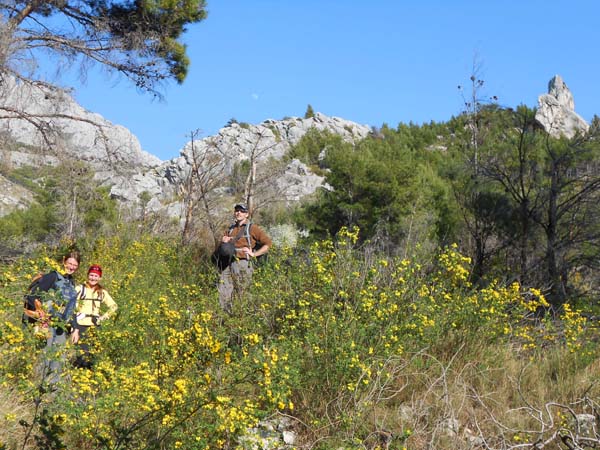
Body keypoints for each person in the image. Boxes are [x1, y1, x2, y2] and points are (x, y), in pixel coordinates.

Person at [27, 250, 81, 385]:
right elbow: (32, 296)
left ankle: (52, 390)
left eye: (75, 265)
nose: (71, 267)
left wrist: (75, 329)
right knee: (45, 356)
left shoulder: (71, 282)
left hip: (61, 327)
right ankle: (37, 388)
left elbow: (71, 308)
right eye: (69, 263)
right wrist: (41, 316)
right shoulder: (52, 276)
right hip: (46, 324)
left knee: (58, 358)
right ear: (64, 261)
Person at [217, 202, 272, 314]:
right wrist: (223, 241)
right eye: (237, 210)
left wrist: (254, 254)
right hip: (227, 262)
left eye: (242, 211)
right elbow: (223, 245)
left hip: (242, 263)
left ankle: (244, 317)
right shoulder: (231, 228)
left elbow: (268, 244)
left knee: (242, 290)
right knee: (224, 289)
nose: (239, 213)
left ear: (247, 214)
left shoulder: (252, 228)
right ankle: (226, 316)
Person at [71, 264, 117, 369]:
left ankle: (89, 375)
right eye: (91, 275)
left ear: (99, 278)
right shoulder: (79, 289)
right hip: (80, 325)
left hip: (95, 325)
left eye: (96, 276)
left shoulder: (102, 292)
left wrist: (103, 318)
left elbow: (114, 306)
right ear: (87, 276)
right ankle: (79, 375)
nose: (93, 278)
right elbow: (71, 307)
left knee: (93, 354)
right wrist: (74, 328)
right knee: (82, 353)